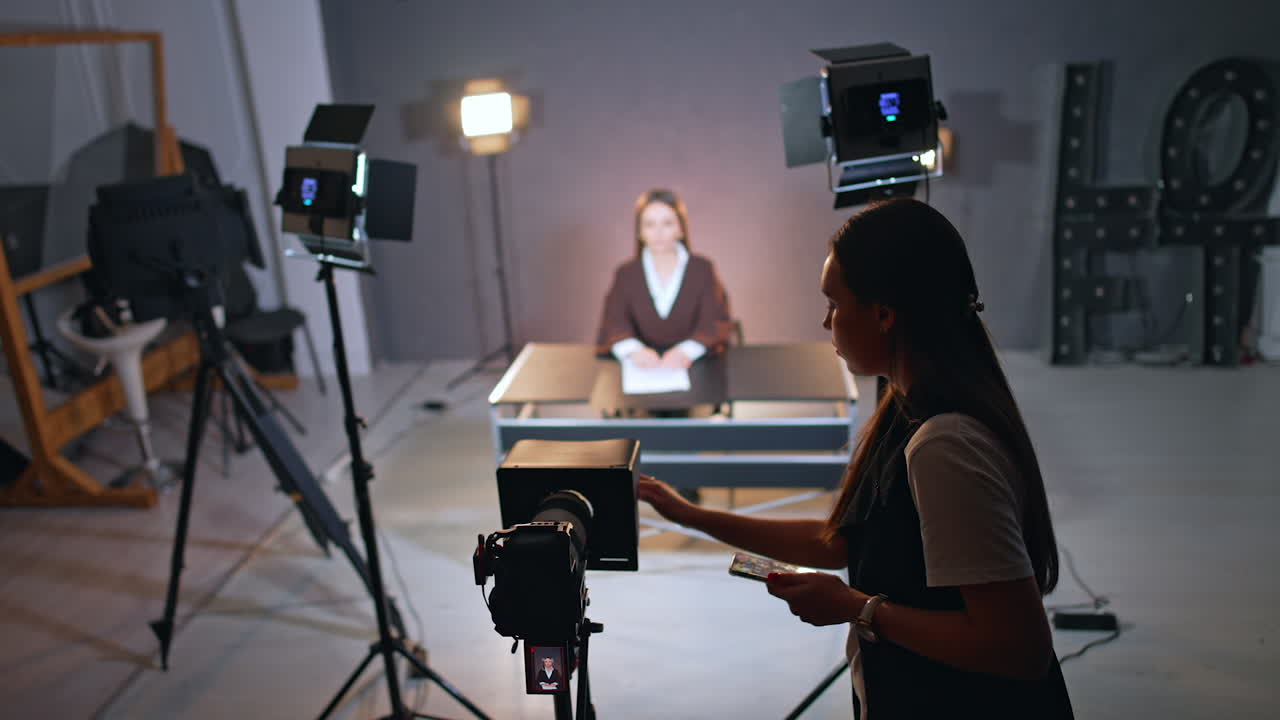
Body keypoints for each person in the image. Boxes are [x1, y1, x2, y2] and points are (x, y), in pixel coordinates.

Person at [638, 198, 1074, 718]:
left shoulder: (944, 447)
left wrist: (859, 609)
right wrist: (689, 515)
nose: (826, 322)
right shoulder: (905, 407)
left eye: (834, 303)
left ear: (884, 314)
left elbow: (1019, 649)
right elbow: (843, 540)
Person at [596, 188, 732, 369]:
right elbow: (614, 324)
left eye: (667, 223)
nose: (658, 232)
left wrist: (686, 351)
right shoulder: (626, 274)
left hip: (693, 367)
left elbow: (714, 321)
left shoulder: (702, 269)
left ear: (681, 229)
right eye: (649, 225)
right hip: (642, 368)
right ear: (640, 232)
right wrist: (635, 351)